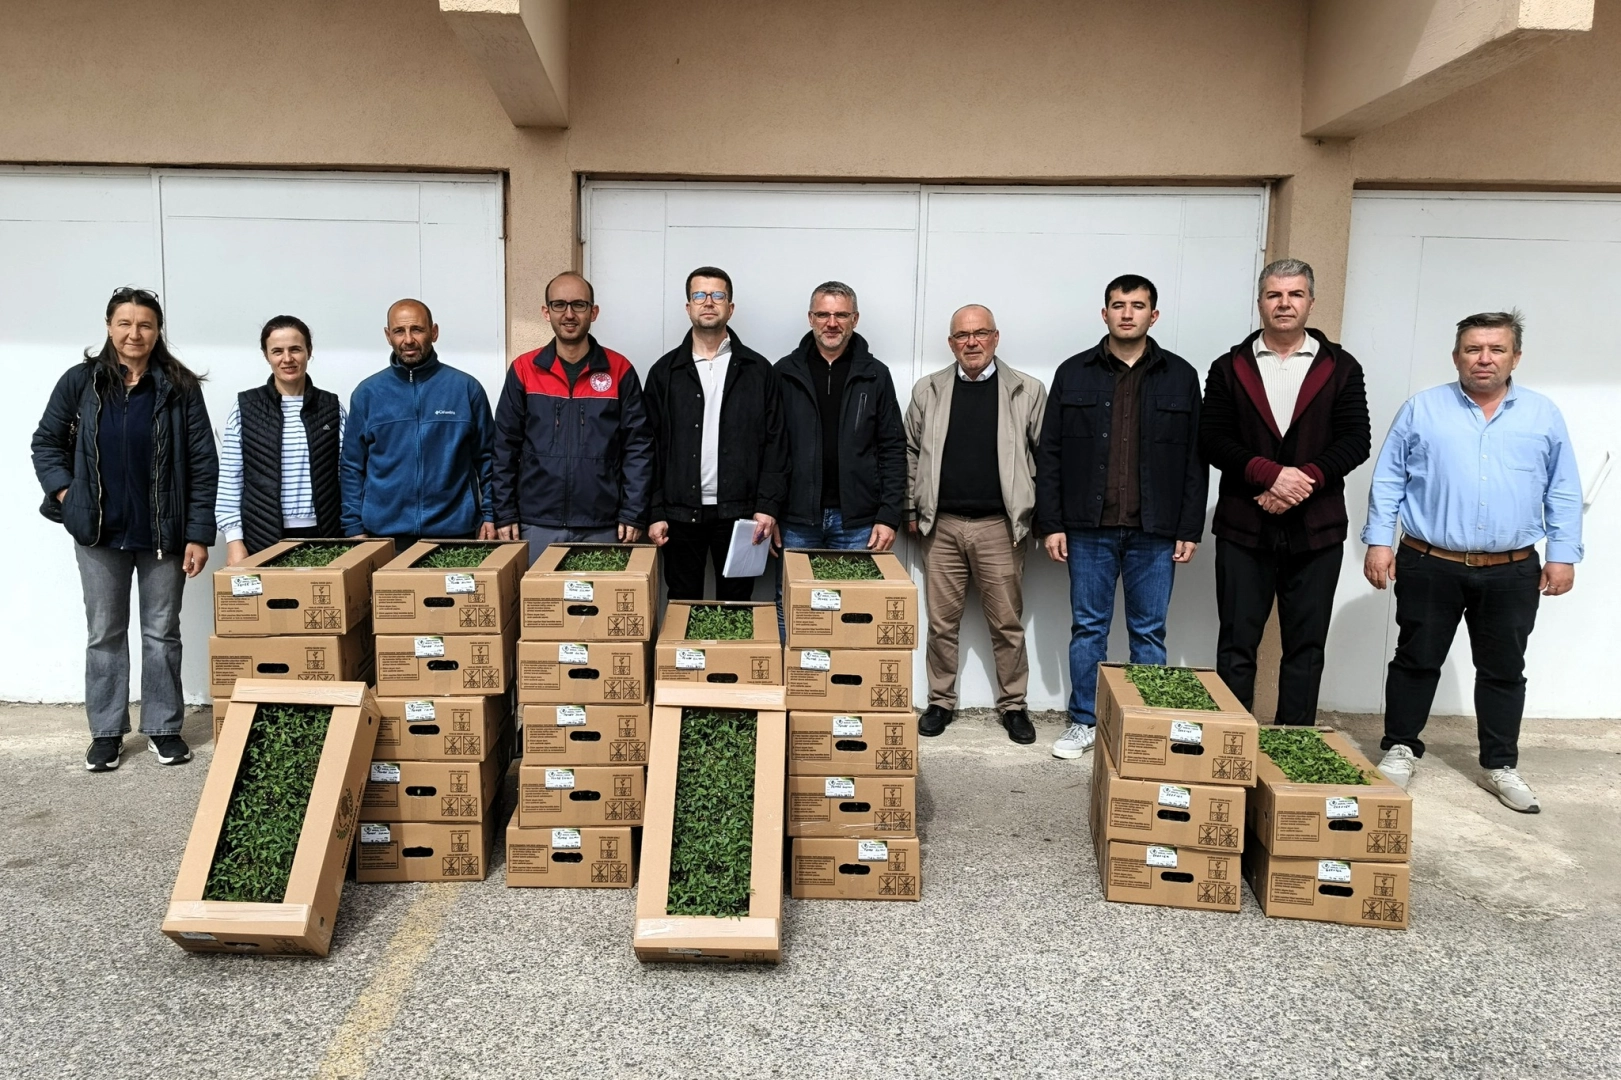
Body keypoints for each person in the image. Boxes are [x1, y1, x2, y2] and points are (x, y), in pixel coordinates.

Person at [1362, 311, 1581, 813]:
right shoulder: (1422, 409)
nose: (1484, 359)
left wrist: (1563, 554)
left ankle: (1500, 765)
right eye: (1473, 349)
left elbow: (1563, 489)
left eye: (1496, 349)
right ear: (1456, 356)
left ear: (1515, 357)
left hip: (1512, 569)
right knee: (1416, 659)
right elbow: (1389, 479)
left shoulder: (1543, 415)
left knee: (1504, 669)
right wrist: (1378, 542)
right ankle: (1400, 747)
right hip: (1429, 561)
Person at [31, 287, 217, 773]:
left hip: (163, 534)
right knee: (104, 634)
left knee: (162, 633)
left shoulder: (179, 386)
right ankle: (107, 732)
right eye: (125, 323)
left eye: (145, 325)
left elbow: (202, 462)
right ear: (109, 327)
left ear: (158, 331)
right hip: (98, 533)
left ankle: (163, 727)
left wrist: (198, 533)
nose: (135, 333)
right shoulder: (81, 382)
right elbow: (46, 442)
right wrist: (67, 494)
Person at [1035, 275, 1208, 758]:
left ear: (1154, 315)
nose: (1127, 313)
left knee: (1148, 632)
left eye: (1137, 305)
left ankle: (1144, 725)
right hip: (1088, 529)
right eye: (1118, 305)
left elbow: (1196, 458)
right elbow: (1050, 454)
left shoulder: (1180, 376)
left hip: (1155, 530)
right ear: (1104, 313)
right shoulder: (1074, 372)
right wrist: (1052, 523)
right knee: (1088, 629)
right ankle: (1084, 721)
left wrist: (1189, 528)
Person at [1198, 258, 1371, 726]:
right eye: (1274, 294)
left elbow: (1355, 440)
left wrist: (1301, 480)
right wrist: (1269, 474)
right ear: (1260, 303)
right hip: (1243, 527)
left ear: (1311, 302)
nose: (1284, 303)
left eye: (1295, 294)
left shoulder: (1340, 366)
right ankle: (1233, 741)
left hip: (1316, 531)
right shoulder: (1229, 366)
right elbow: (1212, 438)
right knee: (1236, 643)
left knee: (1306, 645)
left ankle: (1294, 744)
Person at [905, 305, 1046, 743]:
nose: (972, 342)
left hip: (1000, 528)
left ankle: (1014, 706)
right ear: (951, 343)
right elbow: (909, 451)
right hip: (941, 526)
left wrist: (1039, 517)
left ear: (995, 337)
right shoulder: (928, 390)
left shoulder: (1027, 390)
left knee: (1006, 624)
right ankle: (940, 701)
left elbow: (1047, 456)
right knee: (941, 624)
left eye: (980, 333)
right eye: (962, 336)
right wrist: (911, 507)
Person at [645, 267, 787, 600]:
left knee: (736, 604)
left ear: (730, 307)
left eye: (718, 295)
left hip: (741, 515)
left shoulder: (758, 370)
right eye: (699, 295)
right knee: (683, 602)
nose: (708, 302)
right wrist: (655, 511)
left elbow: (776, 444)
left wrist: (768, 506)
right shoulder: (665, 372)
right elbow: (648, 447)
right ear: (688, 307)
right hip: (679, 514)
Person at [775, 282, 907, 633]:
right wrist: (769, 510)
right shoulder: (784, 373)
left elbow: (892, 447)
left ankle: (844, 673)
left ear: (855, 319)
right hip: (797, 520)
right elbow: (770, 448)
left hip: (858, 522)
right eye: (823, 314)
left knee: (854, 611)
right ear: (810, 318)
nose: (831, 323)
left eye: (841, 315)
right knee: (793, 607)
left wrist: (889, 515)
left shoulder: (875, 374)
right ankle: (796, 672)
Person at [493, 272, 651, 560]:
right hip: (537, 523)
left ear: (593, 312)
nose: (569, 314)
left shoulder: (619, 370)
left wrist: (633, 511)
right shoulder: (524, 370)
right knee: (536, 592)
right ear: (546, 312)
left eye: (579, 305)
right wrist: (504, 513)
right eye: (559, 305)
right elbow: (504, 447)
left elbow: (638, 447)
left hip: (604, 525)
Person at [341, 299, 497, 550]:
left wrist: (490, 513)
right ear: (388, 336)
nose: (408, 339)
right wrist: (353, 526)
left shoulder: (466, 389)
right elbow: (352, 466)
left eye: (417, 329)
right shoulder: (367, 393)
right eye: (399, 331)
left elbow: (488, 459)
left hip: (455, 534)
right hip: (383, 538)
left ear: (434, 332)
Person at [217, 315, 346, 563]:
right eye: (277, 351)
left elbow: (346, 475)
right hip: (261, 538)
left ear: (309, 351)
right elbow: (230, 480)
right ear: (266, 356)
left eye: (295, 349)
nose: (287, 359)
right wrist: (234, 540)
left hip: (325, 536)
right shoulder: (246, 408)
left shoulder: (331, 407)